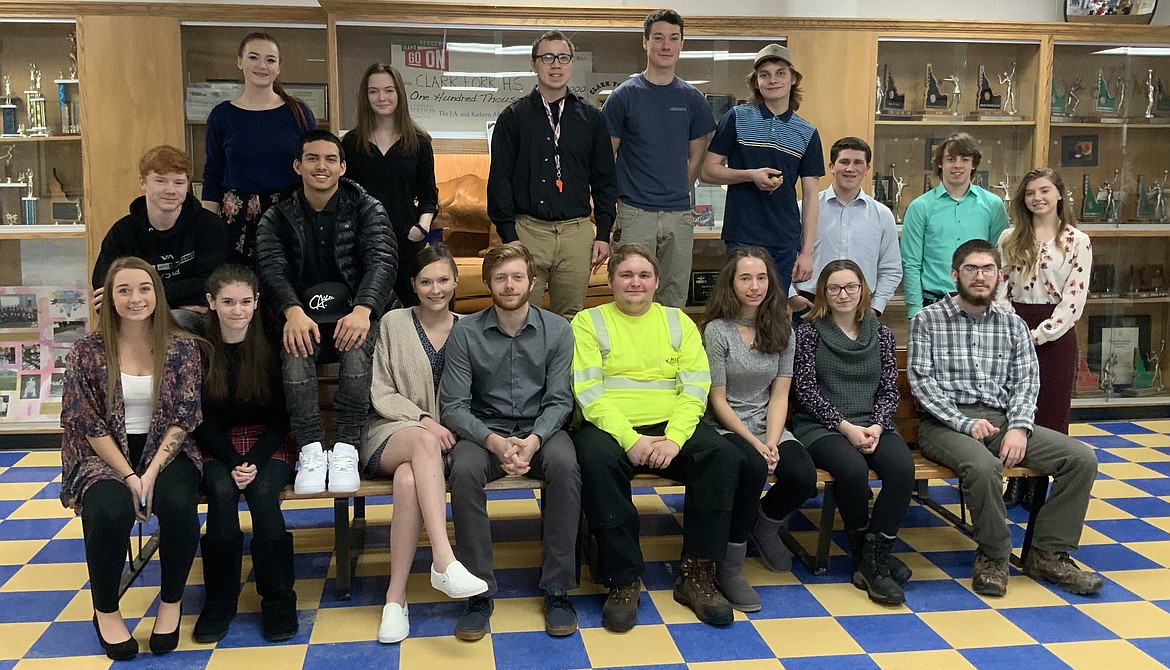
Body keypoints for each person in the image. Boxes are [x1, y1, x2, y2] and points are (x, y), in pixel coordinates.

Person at [572, 243, 757, 632]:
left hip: (671, 426)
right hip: (611, 427)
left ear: (657, 281)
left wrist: (674, 439)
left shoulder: (678, 322)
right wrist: (629, 439)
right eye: (626, 275)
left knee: (721, 457)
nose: (635, 283)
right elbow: (589, 392)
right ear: (610, 281)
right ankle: (623, 579)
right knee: (594, 460)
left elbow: (695, 388)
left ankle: (698, 575)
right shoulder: (588, 323)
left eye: (643, 275)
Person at [908, 239, 1102, 598]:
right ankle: (994, 554)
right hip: (943, 424)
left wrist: (1019, 427)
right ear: (955, 275)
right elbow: (922, 383)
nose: (979, 277)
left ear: (1000, 276)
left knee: (1080, 458)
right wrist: (964, 423)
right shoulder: (927, 320)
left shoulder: (1011, 325)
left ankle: (1047, 553)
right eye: (970, 269)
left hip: (1000, 420)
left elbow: (1027, 380)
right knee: (982, 467)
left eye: (987, 270)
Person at [60, 257, 203, 660]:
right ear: (108, 297)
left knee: (178, 504)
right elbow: (86, 422)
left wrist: (151, 472)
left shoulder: (182, 348)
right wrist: (128, 476)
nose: (135, 298)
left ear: (158, 294)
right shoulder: (87, 351)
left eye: (144, 289)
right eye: (123, 290)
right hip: (102, 453)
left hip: (164, 448)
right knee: (108, 510)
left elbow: (184, 417)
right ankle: (105, 609)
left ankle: (171, 604)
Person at [440, 242, 580, 640]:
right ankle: (478, 590)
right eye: (500, 277)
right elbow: (454, 405)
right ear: (487, 283)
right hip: (484, 429)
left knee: (567, 466)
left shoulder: (558, 329)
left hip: (542, 429)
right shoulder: (465, 331)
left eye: (518, 276)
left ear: (532, 282)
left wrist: (533, 440)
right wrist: (495, 443)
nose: (509, 284)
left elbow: (559, 400)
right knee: (463, 470)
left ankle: (557, 588)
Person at [256, 129, 397, 496]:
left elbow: (382, 261)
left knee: (355, 354)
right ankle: (312, 450)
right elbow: (270, 267)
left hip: (355, 314)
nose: (322, 166)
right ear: (298, 165)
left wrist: (364, 309)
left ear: (342, 166)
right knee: (295, 352)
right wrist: (291, 310)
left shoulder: (367, 207)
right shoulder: (277, 215)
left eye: (330, 159)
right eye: (313, 159)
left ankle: (347, 448)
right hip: (303, 318)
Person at [362, 244, 488, 644]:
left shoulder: (470, 327)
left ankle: (395, 599)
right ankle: (443, 558)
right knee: (421, 444)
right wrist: (425, 420)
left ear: (456, 281)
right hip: (392, 429)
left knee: (407, 482)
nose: (437, 289)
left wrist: (445, 427)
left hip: (446, 441)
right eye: (427, 281)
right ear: (414, 285)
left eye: (444, 280)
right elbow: (380, 389)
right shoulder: (393, 323)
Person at [698, 247, 818, 609]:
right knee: (750, 470)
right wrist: (755, 444)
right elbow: (717, 400)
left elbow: (780, 393)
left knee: (802, 476)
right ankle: (730, 566)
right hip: (726, 424)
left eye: (762, 278)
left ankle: (765, 525)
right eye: (745, 278)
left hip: (769, 423)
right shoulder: (717, 331)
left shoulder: (782, 328)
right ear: (731, 285)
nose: (754, 286)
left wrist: (772, 441)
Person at [792, 259, 915, 605]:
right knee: (851, 469)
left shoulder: (881, 332)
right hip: (822, 426)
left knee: (902, 470)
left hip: (874, 423)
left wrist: (876, 425)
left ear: (863, 290)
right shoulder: (809, 333)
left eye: (851, 287)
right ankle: (871, 561)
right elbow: (805, 391)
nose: (843, 294)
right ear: (823, 293)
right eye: (834, 288)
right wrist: (847, 428)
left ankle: (872, 557)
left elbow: (890, 390)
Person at [192, 264, 299, 644]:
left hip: (266, 442)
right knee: (221, 494)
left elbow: (281, 418)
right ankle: (220, 600)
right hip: (214, 444)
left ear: (256, 303)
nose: (237, 310)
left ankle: (279, 598)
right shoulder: (199, 347)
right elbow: (199, 420)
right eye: (228, 302)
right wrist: (234, 461)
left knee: (261, 493)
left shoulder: (270, 344)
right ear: (211, 303)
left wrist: (252, 459)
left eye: (245, 301)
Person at [488, 30, 619, 319]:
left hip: (576, 234)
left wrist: (604, 234)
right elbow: (499, 181)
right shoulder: (513, 118)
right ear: (533, 64)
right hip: (527, 232)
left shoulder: (591, 118)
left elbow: (605, 181)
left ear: (572, 64)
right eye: (547, 57)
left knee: (570, 320)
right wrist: (509, 236)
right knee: (519, 316)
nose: (555, 65)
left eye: (563, 58)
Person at [602, 9, 716, 308]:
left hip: (678, 214)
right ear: (645, 42)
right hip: (634, 213)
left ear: (682, 44)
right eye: (658, 38)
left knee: (674, 296)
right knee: (631, 295)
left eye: (673, 39)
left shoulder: (693, 100)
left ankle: (668, 355)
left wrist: (677, 191)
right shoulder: (623, 97)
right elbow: (606, 159)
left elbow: (696, 158)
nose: (666, 46)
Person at [997, 168, 1092, 509]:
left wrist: (1040, 335)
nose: (1037, 198)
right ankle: (1014, 480)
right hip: (1015, 326)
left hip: (1056, 333)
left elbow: (1074, 299)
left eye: (1044, 190)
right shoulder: (1010, 237)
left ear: (1059, 194)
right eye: (1030, 193)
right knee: (1014, 408)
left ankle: (1038, 486)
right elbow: (1000, 288)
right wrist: (1014, 330)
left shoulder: (1076, 241)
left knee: (1049, 411)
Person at [701, 44, 824, 294]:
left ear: (793, 79)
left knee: (775, 314)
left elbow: (811, 196)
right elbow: (708, 171)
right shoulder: (737, 117)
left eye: (780, 73)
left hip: (784, 239)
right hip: (742, 234)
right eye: (764, 74)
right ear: (756, 82)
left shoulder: (807, 133)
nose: (772, 80)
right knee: (740, 310)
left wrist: (807, 252)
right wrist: (749, 175)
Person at [202, 32, 317, 265]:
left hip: (288, 214)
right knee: (238, 290)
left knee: (285, 287)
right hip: (236, 219)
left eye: (270, 60)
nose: (262, 65)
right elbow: (213, 171)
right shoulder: (222, 115)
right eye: (253, 57)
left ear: (279, 68)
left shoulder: (298, 112)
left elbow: (315, 165)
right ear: (239, 62)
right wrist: (206, 223)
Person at [92, 145, 228, 334]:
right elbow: (104, 290)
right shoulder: (122, 232)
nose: (170, 190)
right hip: (138, 316)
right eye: (161, 181)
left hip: (193, 319)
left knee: (178, 320)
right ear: (143, 182)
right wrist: (164, 305)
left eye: (179, 183)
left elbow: (210, 283)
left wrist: (141, 295)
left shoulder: (210, 227)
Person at [341, 63, 438, 308]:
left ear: (399, 95)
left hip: (406, 242)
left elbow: (429, 195)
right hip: (362, 244)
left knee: (409, 313)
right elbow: (344, 195)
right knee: (368, 312)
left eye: (388, 90)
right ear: (365, 96)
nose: (381, 97)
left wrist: (421, 227)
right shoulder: (351, 143)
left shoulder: (419, 142)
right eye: (373, 91)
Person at [900, 132, 1009, 318]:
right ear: (940, 163)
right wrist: (915, 310)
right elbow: (911, 263)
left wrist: (998, 303)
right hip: (933, 303)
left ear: (973, 164)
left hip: (981, 303)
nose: (957, 165)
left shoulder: (993, 205)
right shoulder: (920, 207)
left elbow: (1001, 261)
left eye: (964, 159)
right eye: (951, 159)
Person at [791, 137, 902, 316]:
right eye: (844, 162)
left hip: (862, 308)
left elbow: (891, 268)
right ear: (831, 167)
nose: (850, 169)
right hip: (811, 305)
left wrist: (876, 306)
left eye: (858, 162)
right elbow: (783, 255)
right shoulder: (803, 209)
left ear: (867, 169)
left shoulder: (882, 216)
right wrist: (790, 295)